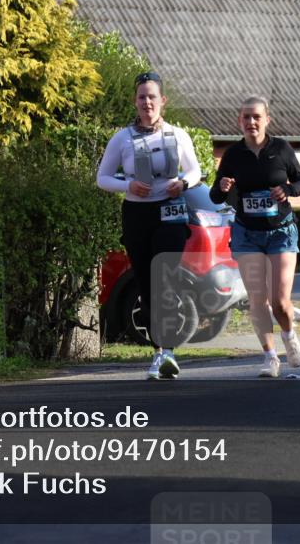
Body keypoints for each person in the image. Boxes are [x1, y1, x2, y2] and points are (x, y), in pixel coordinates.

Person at [96, 71, 202, 379]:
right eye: (141, 97)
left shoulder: (178, 135)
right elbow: (102, 178)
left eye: (152, 97)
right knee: (147, 283)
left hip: (170, 213)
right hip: (138, 215)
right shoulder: (122, 138)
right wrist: (127, 186)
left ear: (162, 101)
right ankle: (159, 353)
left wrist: (182, 183)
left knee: (163, 277)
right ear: (135, 102)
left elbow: (195, 171)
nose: (147, 102)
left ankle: (166, 350)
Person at [209, 96, 300, 378]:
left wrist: (288, 190)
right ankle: (269, 357)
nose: (251, 122)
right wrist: (222, 184)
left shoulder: (281, 149)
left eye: (256, 117)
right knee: (257, 299)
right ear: (239, 121)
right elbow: (215, 195)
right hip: (247, 233)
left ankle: (289, 337)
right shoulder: (233, 155)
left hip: (280, 232)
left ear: (267, 120)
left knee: (279, 301)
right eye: (246, 117)